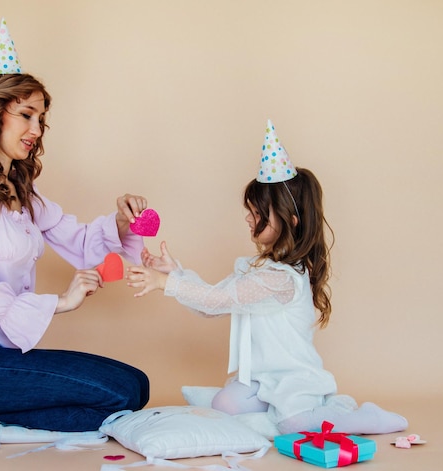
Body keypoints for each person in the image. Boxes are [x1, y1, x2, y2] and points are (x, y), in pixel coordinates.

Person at [0, 19, 149, 437]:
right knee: (118, 395)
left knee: (135, 387)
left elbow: (78, 240)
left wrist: (121, 220)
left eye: (41, 119)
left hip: (3, 356)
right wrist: (60, 301)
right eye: (26, 115)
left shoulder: (24, 193)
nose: (36, 131)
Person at [126, 120, 407, 435]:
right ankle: (237, 407)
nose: (249, 218)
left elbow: (218, 300)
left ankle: (365, 418)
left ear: (290, 220)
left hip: (292, 379)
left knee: (293, 424)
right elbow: (210, 305)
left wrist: (166, 283)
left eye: (258, 213)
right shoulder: (254, 269)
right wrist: (175, 272)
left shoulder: (281, 280)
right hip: (260, 379)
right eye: (250, 211)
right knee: (225, 407)